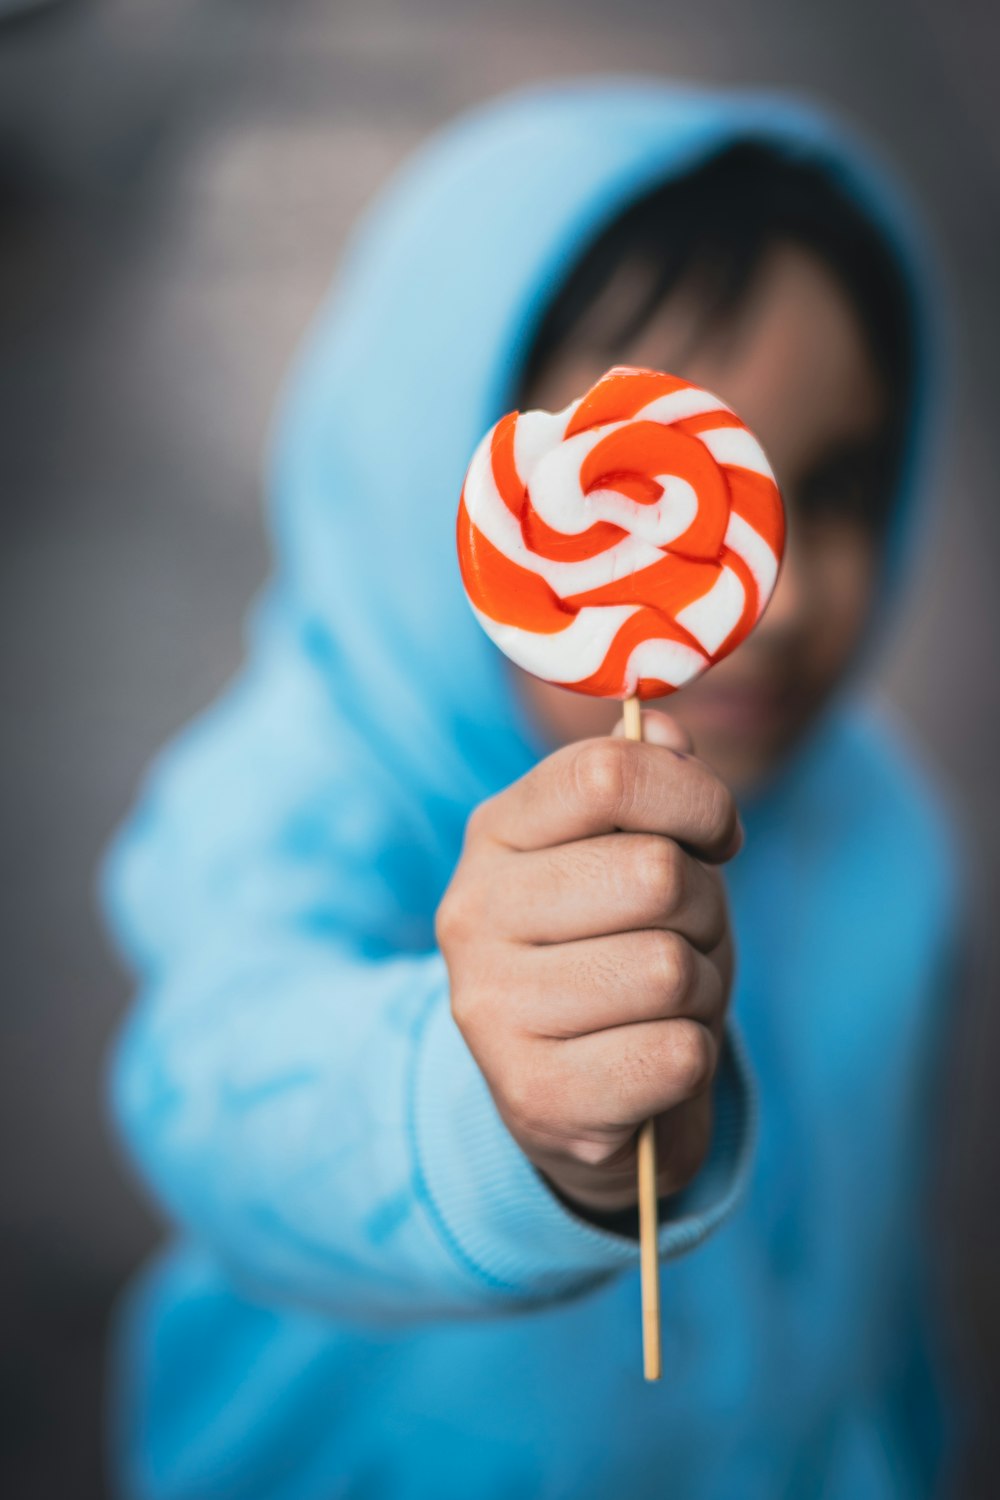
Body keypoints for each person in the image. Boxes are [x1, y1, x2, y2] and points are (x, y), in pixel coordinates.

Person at [101, 80, 963, 1498]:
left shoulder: (889, 832)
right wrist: (498, 1118)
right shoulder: (295, 812)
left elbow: (876, 1261)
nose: (786, 589)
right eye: (647, 498)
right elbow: (216, 1096)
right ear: (449, 467)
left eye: (845, 483)